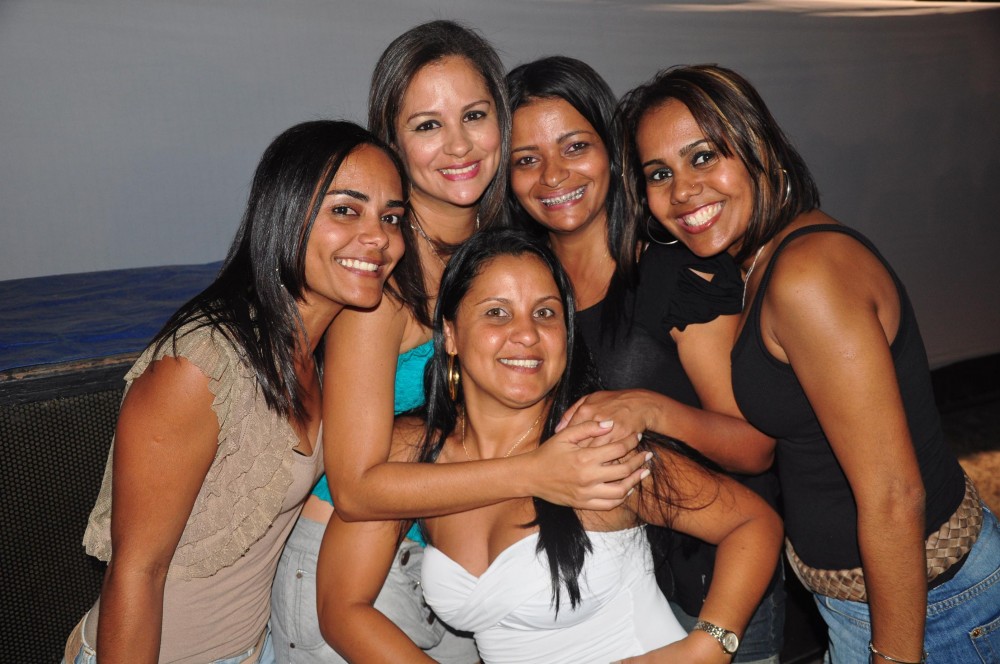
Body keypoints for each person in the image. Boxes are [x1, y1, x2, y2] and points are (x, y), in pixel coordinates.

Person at [270, 22, 646, 664]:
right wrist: (537, 472)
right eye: (427, 125)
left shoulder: (493, 248)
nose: (459, 145)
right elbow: (355, 487)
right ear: (393, 142)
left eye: (474, 115)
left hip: (451, 563)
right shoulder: (382, 275)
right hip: (354, 569)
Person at [618, 64, 1000, 664]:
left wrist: (893, 657)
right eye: (659, 173)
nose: (682, 191)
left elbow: (894, 494)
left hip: (934, 612)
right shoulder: (760, 259)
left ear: (758, 147)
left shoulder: (806, 275)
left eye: (703, 157)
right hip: (877, 606)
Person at [318, 229, 783, 663]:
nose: (527, 334)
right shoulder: (413, 450)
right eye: (497, 312)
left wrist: (708, 646)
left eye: (545, 313)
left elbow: (752, 522)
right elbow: (342, 607)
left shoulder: (597, 446)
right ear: (452, 335)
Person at [64, 120, 409, 663]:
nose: (380, 237)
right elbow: (137, 571)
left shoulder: (326, 349)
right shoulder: (199, 367)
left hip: (255, 650)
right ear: (284, 213)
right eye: (346, 209)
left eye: (391, 217)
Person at [505, 55, 785, 663]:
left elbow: (755, 447)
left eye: (574, 146)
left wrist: (650, 409)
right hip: (579, 594)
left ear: (613, 152)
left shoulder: (679, 273)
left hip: (703, 592)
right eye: (526, 159)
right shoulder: (516, 288)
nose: (552, 175)